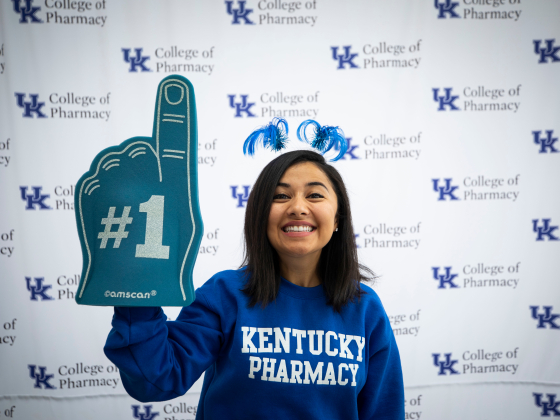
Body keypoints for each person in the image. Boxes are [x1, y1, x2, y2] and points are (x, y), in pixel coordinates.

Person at [104, 150, 404, 419]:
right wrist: (136, 288)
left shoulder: (365, 307)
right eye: (280, 196)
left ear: (338, 218)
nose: (298, 207)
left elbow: (384, 411)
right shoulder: (225, 293)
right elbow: (157, 380)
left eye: (314, 195)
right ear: (260, 215)